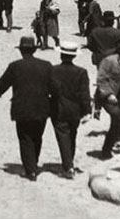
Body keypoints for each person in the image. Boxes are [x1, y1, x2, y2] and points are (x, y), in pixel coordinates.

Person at [0, 36, 55, 181]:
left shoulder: (15, 66)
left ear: (21, 51)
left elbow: (3, 83)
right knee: (37, 137)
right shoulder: (46, 65)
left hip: (22, 108)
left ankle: (30, 169)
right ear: (34, 50)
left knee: (25, 138)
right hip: (42, 107)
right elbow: (54, 85)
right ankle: (33, 163)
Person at [50, 42, 91, 178]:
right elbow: (85, 94)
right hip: (75, 110)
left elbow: (49, 89)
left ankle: (68, 166)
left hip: (58, 108)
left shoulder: (53, 70)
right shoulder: (81, 72)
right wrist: (87, 111)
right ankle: (69, 161)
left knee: (62, 136)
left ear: (61, 55)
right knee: (72, 135)